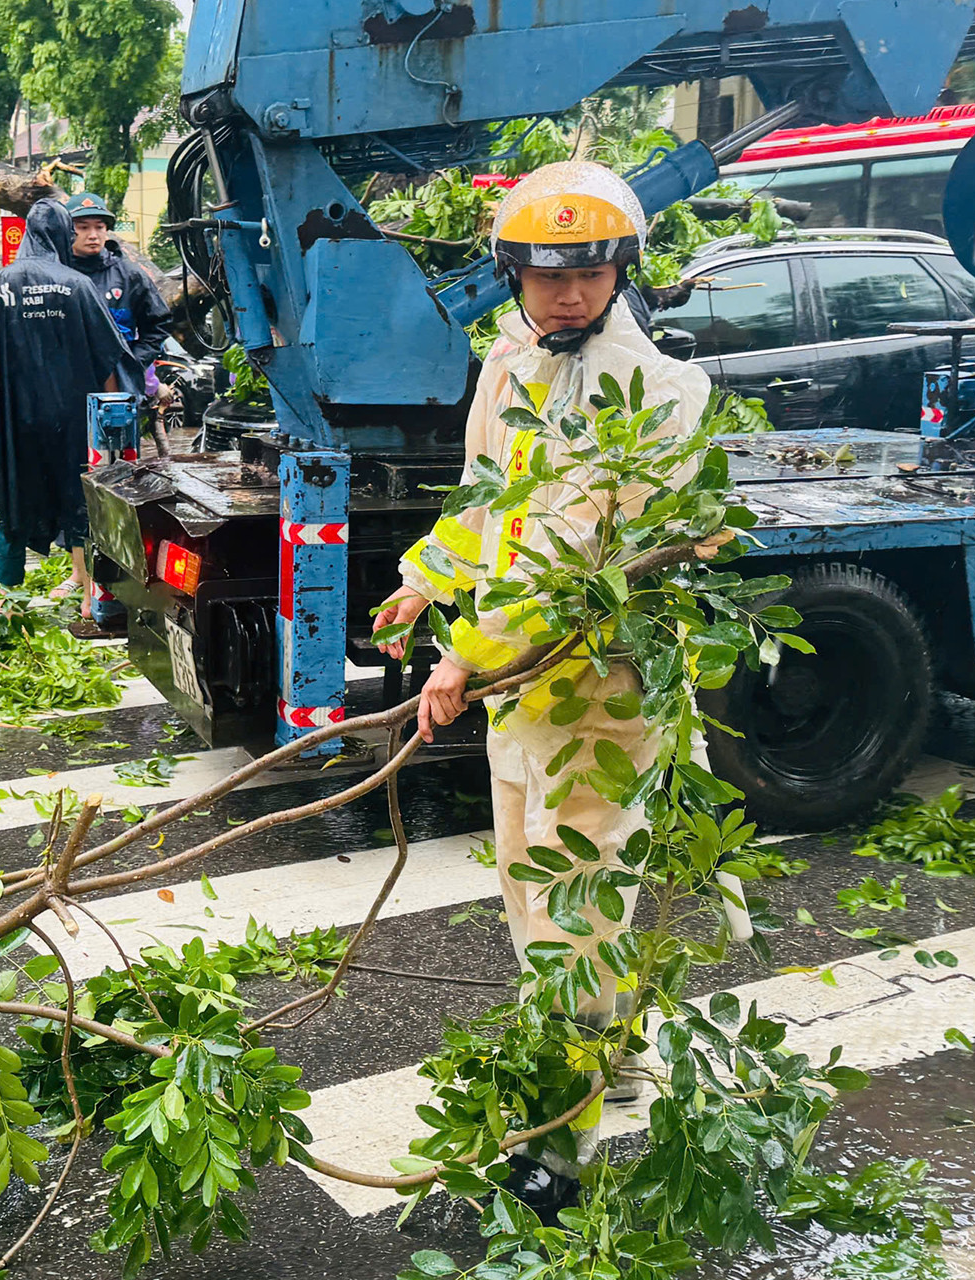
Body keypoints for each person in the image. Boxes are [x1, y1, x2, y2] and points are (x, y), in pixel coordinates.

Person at [372, 161, 711, 1209]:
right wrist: (425, 580)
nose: (568, 294)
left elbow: (567, 548)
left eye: (590, 273)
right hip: (523, 687)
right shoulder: (509, 365)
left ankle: (559, 1148)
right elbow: (488, 500)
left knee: (573, 909)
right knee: (530, 886)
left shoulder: (657, 392)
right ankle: (620, 1054)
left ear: (623, 272)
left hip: (603, 689)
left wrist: (464, 657)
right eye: (547, 274)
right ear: (512, 274)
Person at [0, 199, 135, 617]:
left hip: (13, 418)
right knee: (80, 497)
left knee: (12, 494)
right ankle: (89, 597)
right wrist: (113, 417)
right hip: (71, 416)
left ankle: (6, 598)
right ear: (62, 235)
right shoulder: (77, 285)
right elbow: (107, 354)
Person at [64, 193, 172, 395]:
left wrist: (134, 362)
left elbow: (159, 323)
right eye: (83, 227)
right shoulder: (55, 274)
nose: (93, 235)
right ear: (67, 231)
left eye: (99, 227)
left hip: (118, 389)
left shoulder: (130, 275)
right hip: (67, 387)